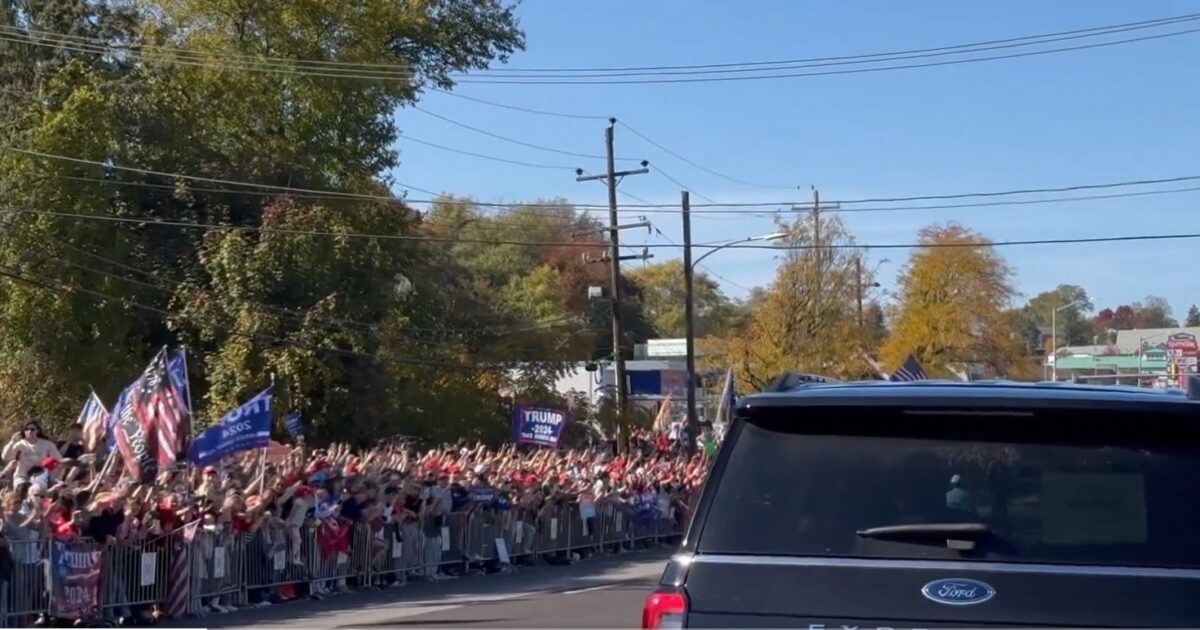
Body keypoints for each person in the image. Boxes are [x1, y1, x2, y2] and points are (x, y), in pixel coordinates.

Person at [2, 421, 62, 487]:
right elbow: (5, 457)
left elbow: (59, 461)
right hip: (22, 477)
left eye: (32, 429)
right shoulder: (19, 444)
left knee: (37, 491)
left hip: (40, 476)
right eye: (26, 429)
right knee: (21, 489)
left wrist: (53, 475)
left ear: (37, 431)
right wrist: (11, 442)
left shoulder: (47, 444)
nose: (29, 431)